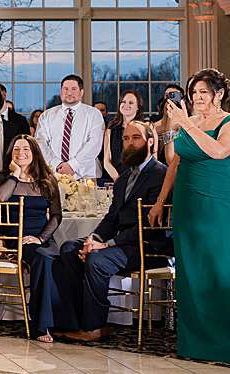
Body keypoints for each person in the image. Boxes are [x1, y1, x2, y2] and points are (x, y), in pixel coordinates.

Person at [151, 69, 230, 362]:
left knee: (215, 265)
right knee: (190, 268)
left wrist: (185, 122)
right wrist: (161, 201)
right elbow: (173, 160)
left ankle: (228, 339)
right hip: (186, 198)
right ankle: (195, 340)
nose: (197, 98)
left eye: (203, 92)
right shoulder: (189, 122)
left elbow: (218, 151)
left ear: (218, 94)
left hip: (215, 197)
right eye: (194, 92)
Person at [51, 121, 167, 341]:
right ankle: (74, 321)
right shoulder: (123, 178)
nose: (129, 143)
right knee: (68, 249)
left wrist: (105, 245)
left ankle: (94, 327)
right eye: (125, 139)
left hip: (148, 245)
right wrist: (93, 239)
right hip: (120, 242)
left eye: (135, 138)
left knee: (97, 260)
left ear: (150, 142)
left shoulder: (160, 174)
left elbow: (149, 226)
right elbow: (111, 218)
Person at [0, 135, 63, 342]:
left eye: (25, 149)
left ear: (34, 153)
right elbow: (1, 198)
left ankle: (60, 319)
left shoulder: (47, 180)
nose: (20, 153)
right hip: (15, 237)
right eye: (16, 150)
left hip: (41, 238)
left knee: (56, 257)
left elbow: (57, 215)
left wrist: (41, 238)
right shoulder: (3, 177)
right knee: (42, 258)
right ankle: (41, 325)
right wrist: (16, 173)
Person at [34, 75, 104, 179]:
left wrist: (72, 165)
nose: (69, 93)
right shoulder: (47, 115)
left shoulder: (94, 114)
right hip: (54, 173)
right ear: (61, 91)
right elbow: (41, 143)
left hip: (85, 175)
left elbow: (94, 143)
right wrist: (57, 164)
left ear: (81, 92)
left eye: (74, 89)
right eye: (65, 89)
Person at [102, 90, 143, 184]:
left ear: (138, 107)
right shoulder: (110, 130)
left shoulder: (146, 127)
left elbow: (152, 158)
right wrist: (119, 181)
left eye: (131, 103)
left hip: (141, 180)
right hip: (117, 179)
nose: (126, 105)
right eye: (123, 102)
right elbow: (106, 161)